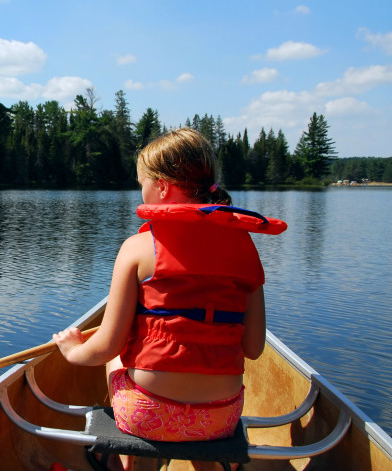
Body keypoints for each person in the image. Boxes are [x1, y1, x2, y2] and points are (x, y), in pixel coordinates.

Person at [53, 128, 286, 471]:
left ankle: (134, 462)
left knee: (116, 357)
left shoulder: (136, 248)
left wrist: (73, 350)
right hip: (218, 420)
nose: (141, 192)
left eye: (141, 183)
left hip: (148, 416)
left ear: (161, 187)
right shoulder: (246, 248)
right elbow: (253, 348)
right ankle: (211, 465)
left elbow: (107, 345)